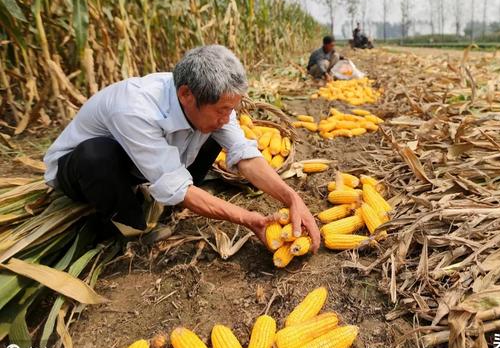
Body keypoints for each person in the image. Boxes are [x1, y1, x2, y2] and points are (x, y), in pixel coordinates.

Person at [43, 45, 321, 251]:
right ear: (186, 94)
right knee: (96, 156)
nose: (228, 118)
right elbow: (175, 186)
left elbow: (245, 155)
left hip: (138, 163)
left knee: (214, 131)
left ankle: (170, 203)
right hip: (81, 170)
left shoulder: (211, 100)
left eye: (231, 110)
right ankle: (126, 227)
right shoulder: (135, 107)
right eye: (223, 110)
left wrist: (291, 198)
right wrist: (250, 219)